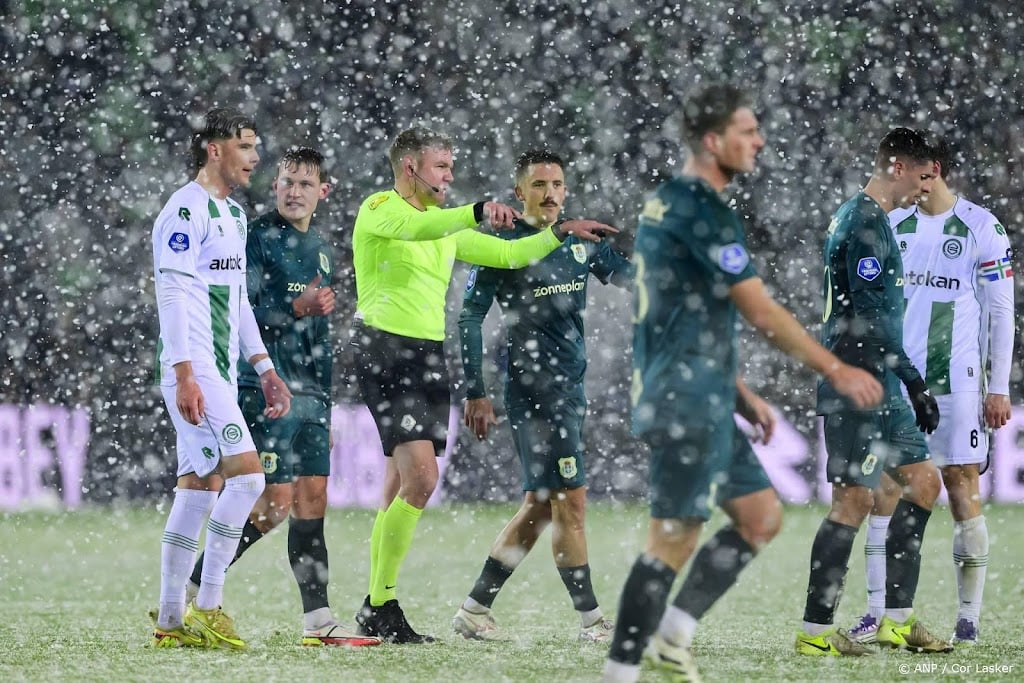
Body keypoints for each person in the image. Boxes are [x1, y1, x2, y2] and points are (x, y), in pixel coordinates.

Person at [602, 84, 884, 683]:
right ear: (713, 141)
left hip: (700, 390)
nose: (759, 141)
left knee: (760, 516)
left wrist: (739, 393)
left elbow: (685, 312)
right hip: (684, 397)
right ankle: (619, 672)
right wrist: (836, 368)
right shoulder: (705, 211)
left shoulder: (665, 202)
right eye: (747, 131)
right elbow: (759, 310)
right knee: (671, 538)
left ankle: (672, 639)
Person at [349, 127, 615, 644]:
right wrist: (474, 211)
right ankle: (380, 603)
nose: (450, 176)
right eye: (442, 167)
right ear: (411, 168)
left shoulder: (445, 227)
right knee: (421, 480)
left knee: (403, 485)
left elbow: (511, 256)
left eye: (451, 167)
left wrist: (561, 233)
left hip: (426, 354)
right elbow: (418, 228)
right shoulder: (380, 207)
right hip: (385, 348)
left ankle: (380, 605)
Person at [184, 147, 380, 647]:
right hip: (265, 386)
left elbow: (320, 334)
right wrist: (296, 306)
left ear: (323, 192)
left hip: (311, 393)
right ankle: (194, 587)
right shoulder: (255, 237)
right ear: (274, 187)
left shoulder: (322, 248)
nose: (295, 192)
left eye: (306, 184)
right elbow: (240, 308)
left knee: (313, 500)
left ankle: (319, 620)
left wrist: (325, 405)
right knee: (273, 502)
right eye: (288, 182)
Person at [451, 150, 633, 644]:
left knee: (540, 505)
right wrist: (475, 391)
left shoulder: (580, 242)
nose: (549, 194)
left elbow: (633, 279)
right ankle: (592, 621)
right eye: (538, 185)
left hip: (569, 390)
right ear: (520, 193)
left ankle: (474, 609)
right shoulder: (502, 245)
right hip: (535, 393)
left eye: (556, 185)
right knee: (571, 504)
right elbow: (469, 317)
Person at [847, 137, 1015, 647]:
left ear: (933, 171)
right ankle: (878, 613)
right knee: (884, 491)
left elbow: (1001, 311)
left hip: (956, 382)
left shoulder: (982, 227)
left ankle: (969, 619)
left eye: (915, 175)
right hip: (899, 382)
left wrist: (999, 387)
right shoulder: (893, 225)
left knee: (962, 489)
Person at [794, 127, 954, 657]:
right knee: (853, 501)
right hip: (856, 383)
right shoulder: (862, 222)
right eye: (923, 176)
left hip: (880, 383)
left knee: (923, 483)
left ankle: (897, 621)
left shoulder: (873, 219)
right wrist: (914, 381)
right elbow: (868, 322)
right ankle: (815, 632)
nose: (926, 188)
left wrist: (902, 382)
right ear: (898, 167)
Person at [150, 107, 293, 649]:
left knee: (198, 487)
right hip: (196, 369)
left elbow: (237, 303)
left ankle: (170, 620)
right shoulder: (184, 211)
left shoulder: (233, 215)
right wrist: (185, 374)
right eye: (246, 146)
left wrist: (264, 367)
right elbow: (171, 296)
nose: (255, 157)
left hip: (222, 371)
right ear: (215, 150)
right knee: (249, 481)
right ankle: (208, 604)